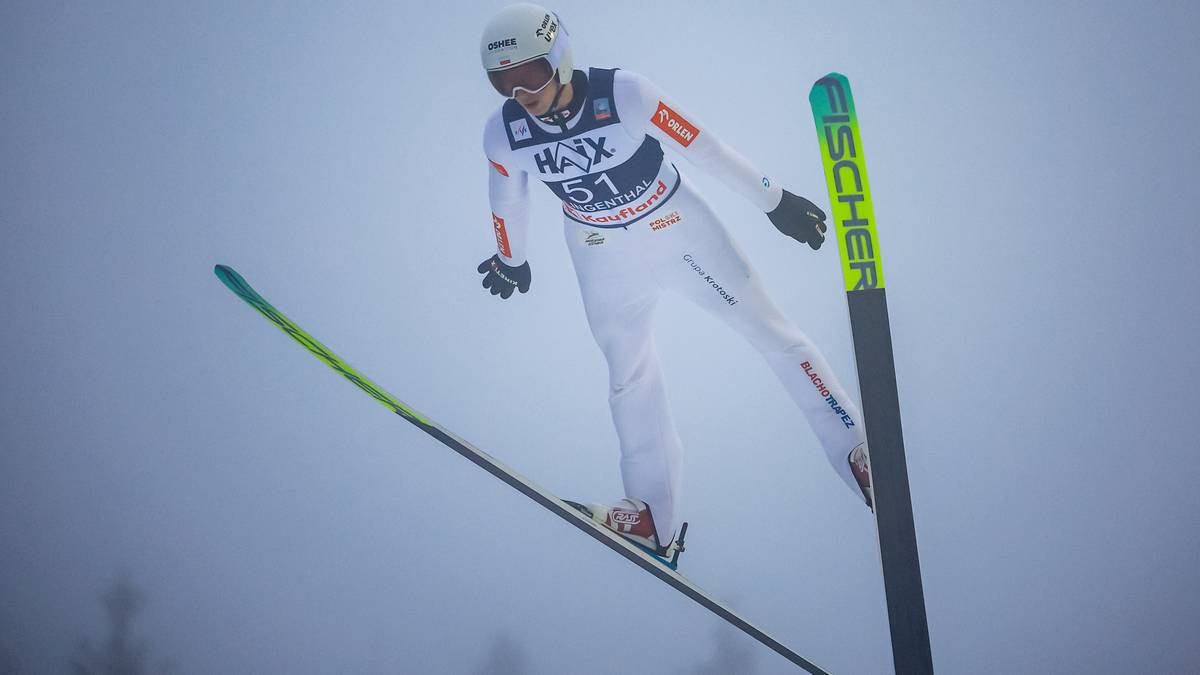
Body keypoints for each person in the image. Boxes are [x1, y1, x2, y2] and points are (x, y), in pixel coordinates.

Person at [478, 3, 873, 557]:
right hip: (600, 253)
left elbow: (705, 148)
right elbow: (506, 197)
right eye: (503, 82)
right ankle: (651, 517)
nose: (521, 94)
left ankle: (858, 450)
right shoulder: (504, 133)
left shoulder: (625, 95)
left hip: (677, 228)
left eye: (530, 75)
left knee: (771, 334)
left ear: (561, 58)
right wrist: (511, 257)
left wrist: (775, 201)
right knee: (628, 377)